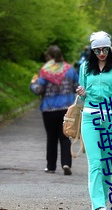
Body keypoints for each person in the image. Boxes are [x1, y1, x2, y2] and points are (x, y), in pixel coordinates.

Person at [76, 31, 112, 210]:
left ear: (110, 48)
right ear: (92, 50)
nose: (101, 53)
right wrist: (81, 92)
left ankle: (103, 201)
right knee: (96, 162)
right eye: (97, 50)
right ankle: (99, 205)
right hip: (90, 117)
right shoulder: (84, 68)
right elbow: (82, 97)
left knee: (107, 164)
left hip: (110, 118)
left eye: (105, 49)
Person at [30, 45, 79, 175]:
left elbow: (38, 90)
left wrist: (33, 83)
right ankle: (66, 163)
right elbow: (77, 87)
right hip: (66, 109)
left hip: (49, 109)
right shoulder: (70, 70)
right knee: (65, 137)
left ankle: (51, 166)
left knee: (51, 138)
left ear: (49, 57)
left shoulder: (45, 71)